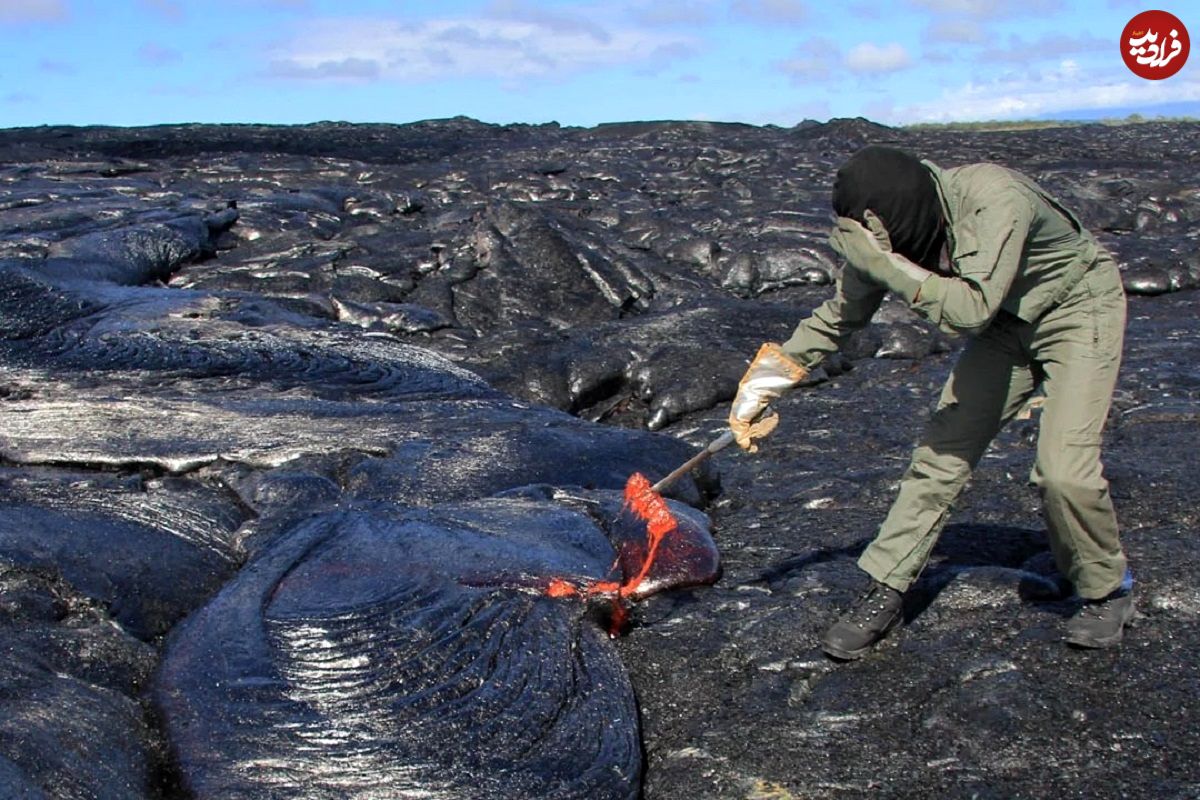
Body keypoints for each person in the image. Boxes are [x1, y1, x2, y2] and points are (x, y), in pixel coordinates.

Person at [728, 145, 1134, 659]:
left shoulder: (993, 196)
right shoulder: (879, 239)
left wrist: (883, 260)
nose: (874, 249)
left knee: (1063, 472)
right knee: (939, 457)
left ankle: (1107, 590)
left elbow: (968, 311)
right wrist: (764, 384)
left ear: (894, 216)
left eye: (877, 239)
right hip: (1003, 329)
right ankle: (887, 587)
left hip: (1076, 308)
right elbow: (838, 317)